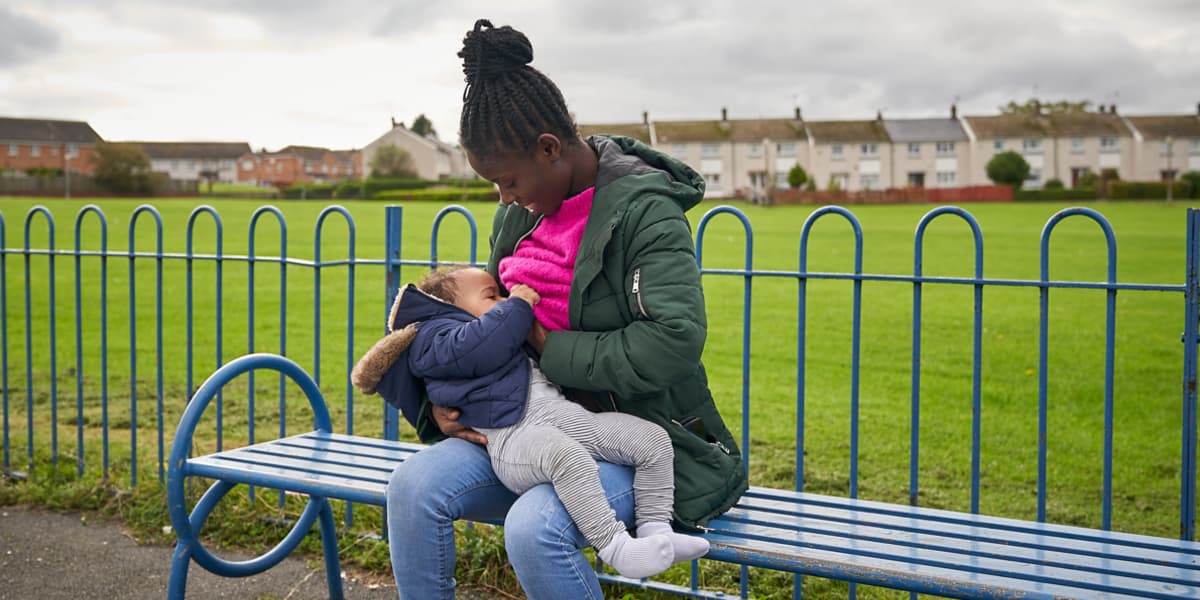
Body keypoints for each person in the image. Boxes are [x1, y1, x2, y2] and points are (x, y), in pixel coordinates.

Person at [374, 18, 748, 599]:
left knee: (535, 528)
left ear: (549, 149)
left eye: (508, 181)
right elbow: (481, 319)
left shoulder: (646, 212)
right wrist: (443, 405)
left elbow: (673, 339)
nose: (504, 198)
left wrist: (549, 346)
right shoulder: (520, 215)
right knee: (412, 487)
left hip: (626, 437)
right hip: (520, 430)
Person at [353, 266, 710, 579]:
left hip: (563, 416)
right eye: (492, 295)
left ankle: (656, 530)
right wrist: (519, 303)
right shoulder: (438, 335)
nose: (504, 299)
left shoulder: (495, 332)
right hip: (516, 438)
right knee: (567, 458)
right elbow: (478, 347)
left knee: (651, 439)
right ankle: (617, 548)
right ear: (451, 309)